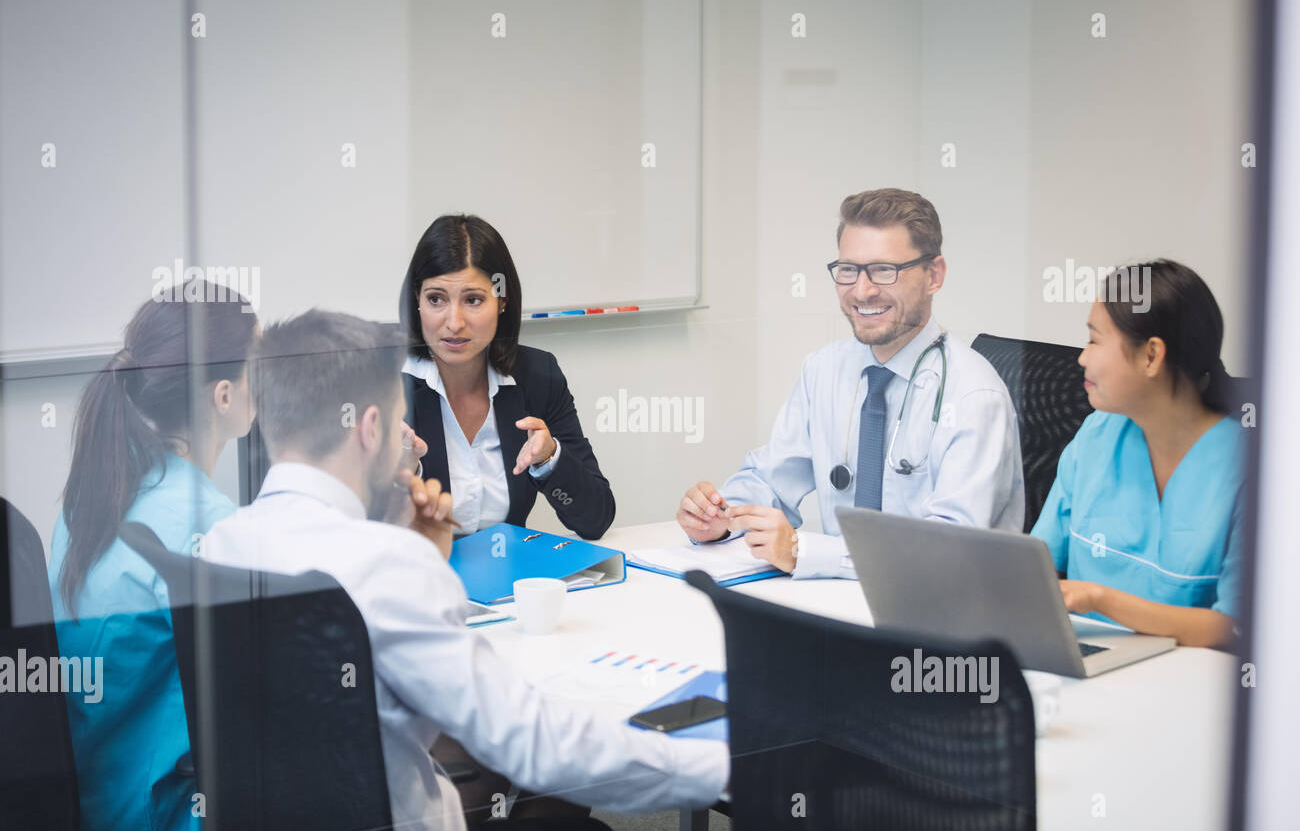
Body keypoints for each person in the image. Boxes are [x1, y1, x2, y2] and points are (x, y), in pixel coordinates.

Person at [200, 310, 727, 831]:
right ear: (371, 428)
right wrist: (722, 766)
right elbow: (532, 742)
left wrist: (414, 545)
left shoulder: (221, 543)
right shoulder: (387, 566)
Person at [676, 188, 1024, 578]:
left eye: (883, 270)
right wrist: (721, 516)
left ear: (934, 275)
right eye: (848, 270)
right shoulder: (824, 370)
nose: (862, 291)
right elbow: (770, 478)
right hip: (838, 605)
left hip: (943, 621)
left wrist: (804, 552)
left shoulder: (974, 396)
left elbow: (950, 553)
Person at [49, 283, 259, 831]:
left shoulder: (87, 501)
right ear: (223, 396)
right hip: (170, 829)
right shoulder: (210, 528)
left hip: (100, 815)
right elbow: (257, 708)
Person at [1032, 259, 1245, 648]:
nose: (1081, 357)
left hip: (1185, 682)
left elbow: (1231, 627)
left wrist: (1101, 599)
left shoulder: (1248, 470)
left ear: (1151, 356)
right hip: (1083, 664)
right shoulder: (1097, 434)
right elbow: (1038, 562)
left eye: (1094, 340)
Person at [399, 214, 614, 540]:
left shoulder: (538, 376)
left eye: (473, 300)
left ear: (502, 301)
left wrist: (550, 459)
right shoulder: (382, 386)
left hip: (508, 581)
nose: (454, 322)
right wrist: (404, 472)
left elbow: (595, 519)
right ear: (417, 300)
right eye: (436, 299)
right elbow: (351, 538)